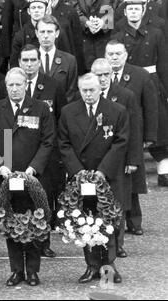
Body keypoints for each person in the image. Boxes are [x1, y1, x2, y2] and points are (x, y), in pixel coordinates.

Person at [0, 67, 55, 286]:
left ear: (26, 85)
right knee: (11, 223)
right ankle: (16, 270)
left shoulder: (41, 108)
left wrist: (34, 168)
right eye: (10, 85)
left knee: (34, 223)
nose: (14, 89)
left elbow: (47, 141)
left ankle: (32, 271)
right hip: (4, 178)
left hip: (33, 177)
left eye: (18, 84)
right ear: (6, 86)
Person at [58, 73, 129, 284]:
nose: (88, 94)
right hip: (82, 177)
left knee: (108, 221)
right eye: (84, 90)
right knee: (86, 221)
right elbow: (63, 143)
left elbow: (121, 142)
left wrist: (102, 171)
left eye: (92, 90)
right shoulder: (69, 112)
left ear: (101, 88)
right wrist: (78, 171)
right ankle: (91, 265)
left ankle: (109, 265)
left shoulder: (117, 111)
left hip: (107, 176)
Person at [111, 0, 168, 190]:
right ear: (125, 12)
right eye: (130, 9)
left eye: (137, 9)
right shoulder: (118, 34)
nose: (134, 12)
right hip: (129, 81)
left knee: (156, 122)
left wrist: (165, 87)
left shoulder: (156, 33)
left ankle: (163, 169)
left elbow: (163, 64)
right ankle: (135, 173)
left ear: (143, 11)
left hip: (152, 81)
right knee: (131, 122)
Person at [18, 44, 67, 258]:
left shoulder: (53, 85)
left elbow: (60, 118)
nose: (29, 64)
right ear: (19, 62)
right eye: (25, 60)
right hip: (20, 150)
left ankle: (43, 241)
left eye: (32, 60)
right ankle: (21, 238)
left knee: (44, 199)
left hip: (46, 153)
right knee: (20, 199)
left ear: (39, 61)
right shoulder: (13, 84)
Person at [104, 39, 157, 235]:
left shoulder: (140, 75)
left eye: (118, 53)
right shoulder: (100, 77)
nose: (114, 57)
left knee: (133, 181)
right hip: (110, 137)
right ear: (105, 55)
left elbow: (151, 107)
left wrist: (150, 136)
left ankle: (135, 221)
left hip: (134, 134)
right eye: (110, 54)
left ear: (126, 55)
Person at [91, 58, 142, 258]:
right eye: (98, 75)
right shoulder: (86, 94)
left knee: (118, 202)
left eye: (106, 74)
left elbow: (134, 129)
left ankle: (118, 243)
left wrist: (133, 159)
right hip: (95, 158)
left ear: (112, 74)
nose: (103, 79)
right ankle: (99, 241)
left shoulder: (125, 95)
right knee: (96, 202)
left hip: (120, 158)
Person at [36, 15, 78, 103]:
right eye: (42, 32)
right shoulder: (29, 59)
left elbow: (71, 92)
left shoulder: (69, 61)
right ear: (36, 33)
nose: (46, 36)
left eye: (50, 32)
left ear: (57, 33)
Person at [73, 0, 118, 70]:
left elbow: (120, 8)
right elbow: (72, 8)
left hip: (107, 40)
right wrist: (86, 22)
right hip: (84, 41)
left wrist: (104, 21)